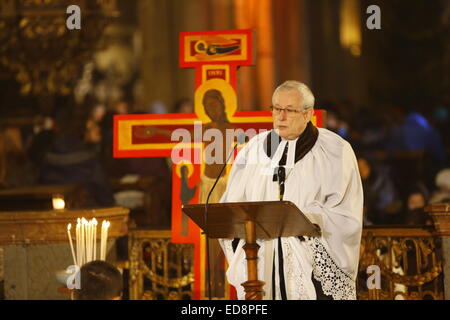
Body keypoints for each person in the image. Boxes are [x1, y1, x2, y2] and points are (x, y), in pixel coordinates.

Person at [219, 80, 363, 300]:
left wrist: (304, 219)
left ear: (308, 114)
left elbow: (346, 212)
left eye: (289, 110)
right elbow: (234, 205)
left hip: (310, 261)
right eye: (276, 108)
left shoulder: (334, 151)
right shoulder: (255, 149)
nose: (281, 116)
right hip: (262, 260)